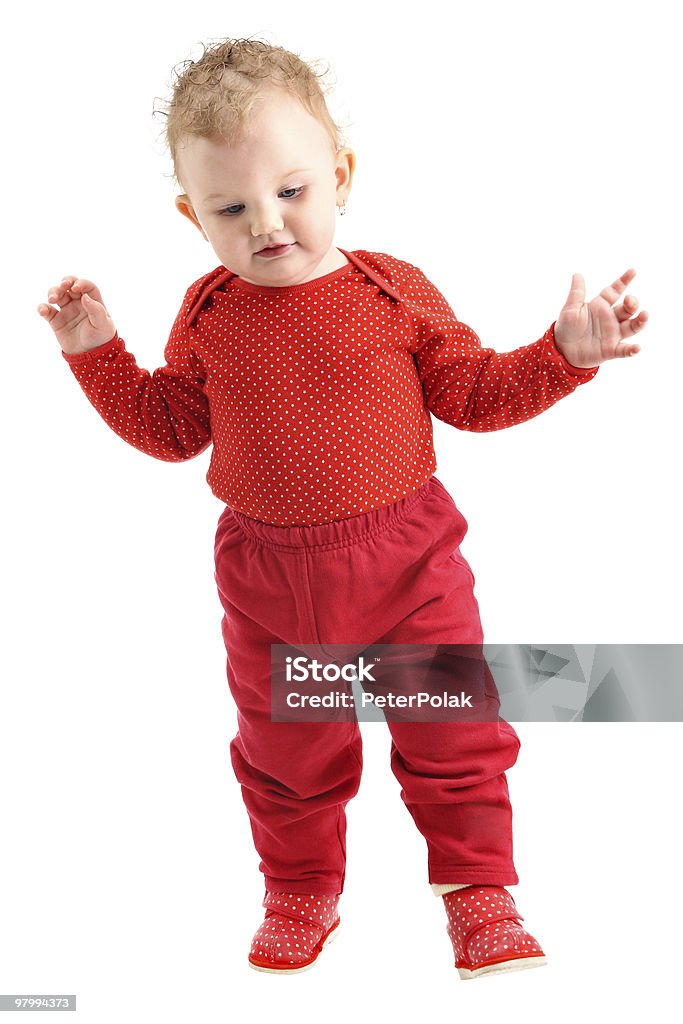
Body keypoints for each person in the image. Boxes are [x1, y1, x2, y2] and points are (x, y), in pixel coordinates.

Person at [36, 37, 648, 979]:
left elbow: (476, 396)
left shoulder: (389, 291)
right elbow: (167, 428)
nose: (267, 224)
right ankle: (299, 887)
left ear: (340, 175)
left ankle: (478, 889)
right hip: (266, 580)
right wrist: (96, 350)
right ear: (190, 215)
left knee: (450, 726)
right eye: (230, 207)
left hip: (407, 567)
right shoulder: (207, 313)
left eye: (291, 191)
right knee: (285, 748)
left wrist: (559, 356)